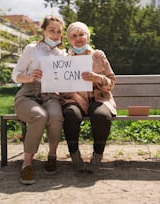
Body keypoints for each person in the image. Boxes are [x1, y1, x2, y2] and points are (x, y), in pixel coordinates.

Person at [11, 15, 66, 185]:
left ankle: (52, 156)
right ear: (43, 31)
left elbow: (66, 78)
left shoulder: (62, 54)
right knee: (39, 116)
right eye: (51, 30)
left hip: (50, 95)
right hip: (28, 94)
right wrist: (29, 77)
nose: (55, 35)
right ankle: (27, 164)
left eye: (59, 32)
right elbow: (15, 74)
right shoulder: (32, 48)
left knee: (56, 116)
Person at [60, 21, 117, 173]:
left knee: (101, 116)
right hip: (74, 100)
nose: (78, 38)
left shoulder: (98, 56)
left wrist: (98, 78)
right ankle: (74, 154)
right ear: (69, 39)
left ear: (88, 37)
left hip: (98, 99)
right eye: (74, 36)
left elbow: (111, 82)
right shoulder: (64, 60)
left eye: (81, 34)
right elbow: (61, 88)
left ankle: (97, 155)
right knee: (70, 114)